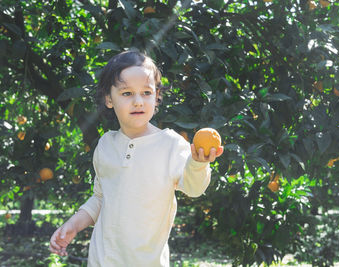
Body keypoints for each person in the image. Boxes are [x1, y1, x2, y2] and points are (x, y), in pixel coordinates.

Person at [49, 50, 224, 266]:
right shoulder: (106, 145)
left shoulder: (169, 144)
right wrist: (74, 225)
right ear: (108, 99)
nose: (138, 101)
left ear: (156, 96)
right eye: (127, 94)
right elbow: (101, 198)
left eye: (146, 92)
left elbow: (194, 188)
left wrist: (198, 163)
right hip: (103, 260)